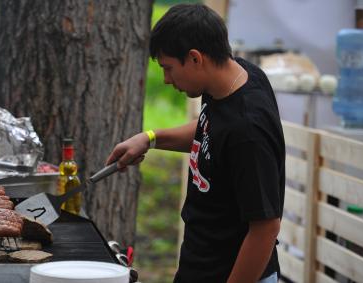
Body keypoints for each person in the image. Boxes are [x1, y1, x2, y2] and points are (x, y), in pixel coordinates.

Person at [106, 4, 285, 283]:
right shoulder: (227, 81)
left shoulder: (249, 131)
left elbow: (265, 228)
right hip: (200, 266)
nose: (166, 79)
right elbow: (210, 131)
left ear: (194, 58)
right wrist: (150, 138)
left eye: (168, 68)